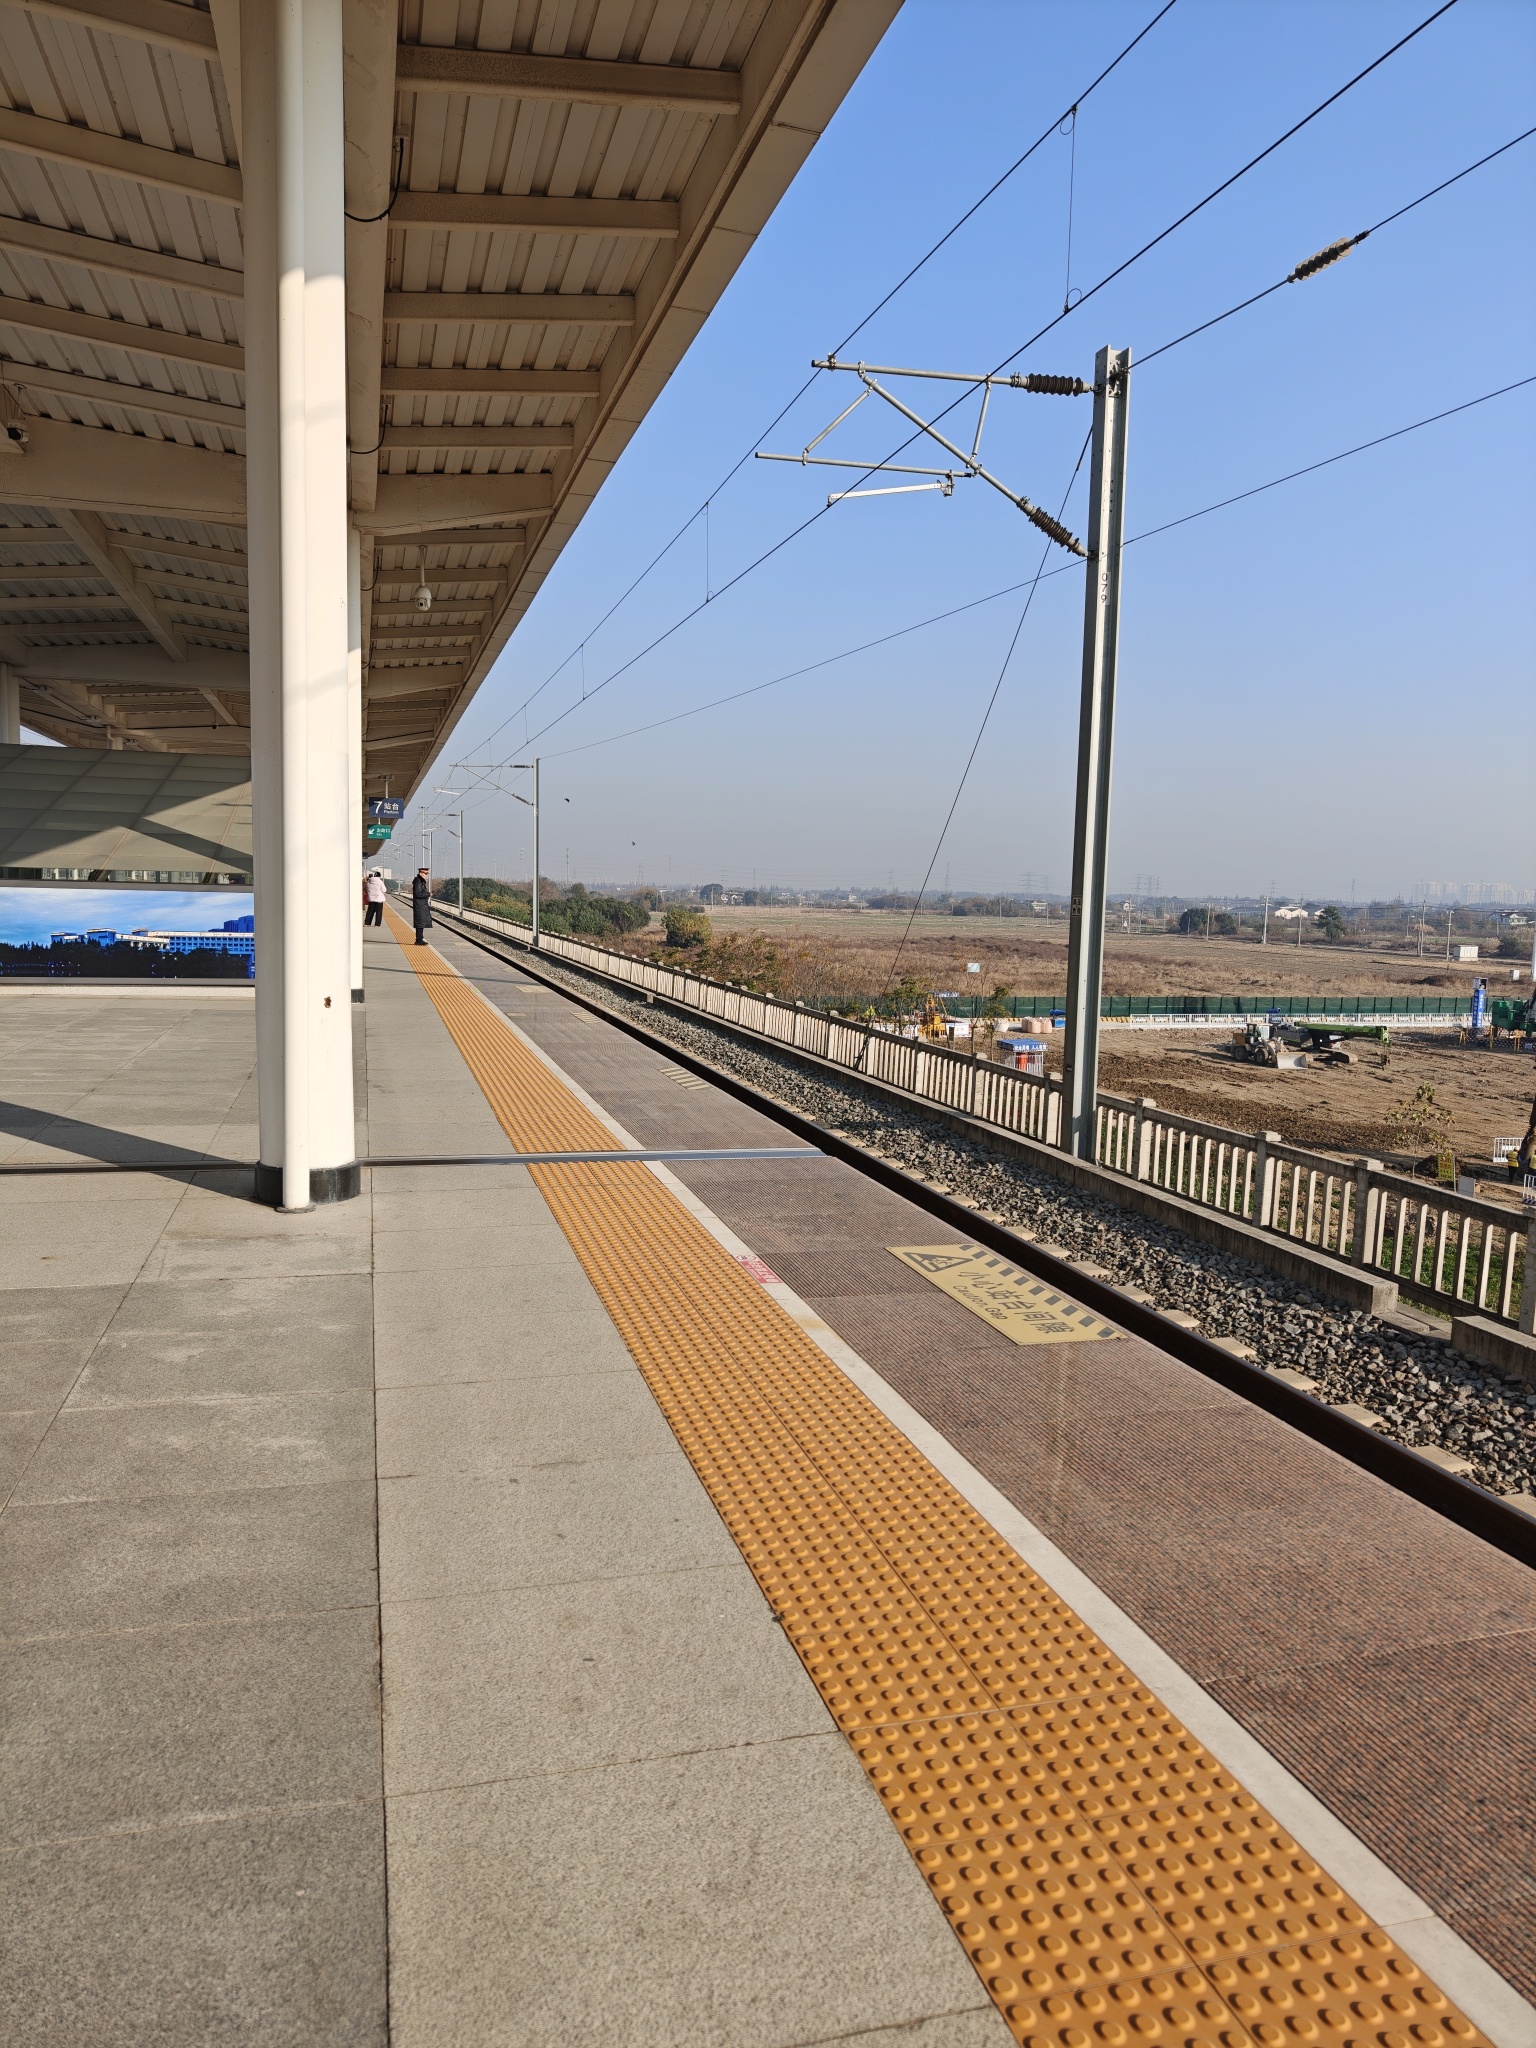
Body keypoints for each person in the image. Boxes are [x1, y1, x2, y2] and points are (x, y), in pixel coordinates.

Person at [411, 866, 433, 946]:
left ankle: (420, 938)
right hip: (419, 905)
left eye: (427, 873)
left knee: (421, 922)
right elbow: (418, 894)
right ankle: (418, 940)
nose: (426, 875)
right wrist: (428, 894)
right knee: (420, 922)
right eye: (425, 873)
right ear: (420, 873)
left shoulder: (420, 881)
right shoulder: (418, 882)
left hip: (421, 905)